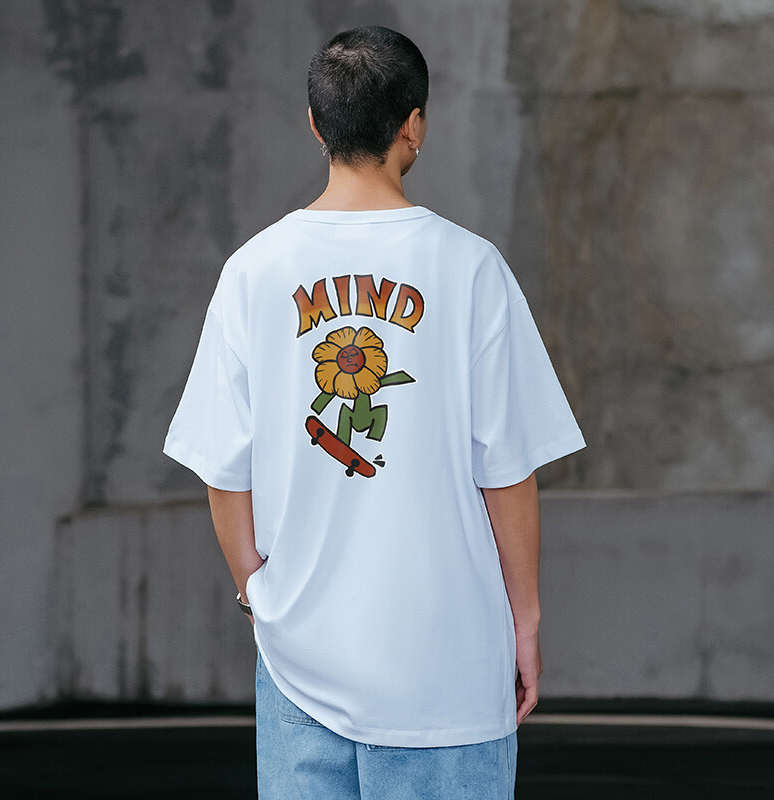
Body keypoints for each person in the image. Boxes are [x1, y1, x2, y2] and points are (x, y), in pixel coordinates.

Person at [162, 24, 586, 800]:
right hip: (448, 671)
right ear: (413, 126)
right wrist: (523, 623)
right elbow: (506, 473)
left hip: (300, 667)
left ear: (316, 124)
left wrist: (259, 596)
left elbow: (225, 469)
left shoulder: (253, 271)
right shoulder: (471, 268)